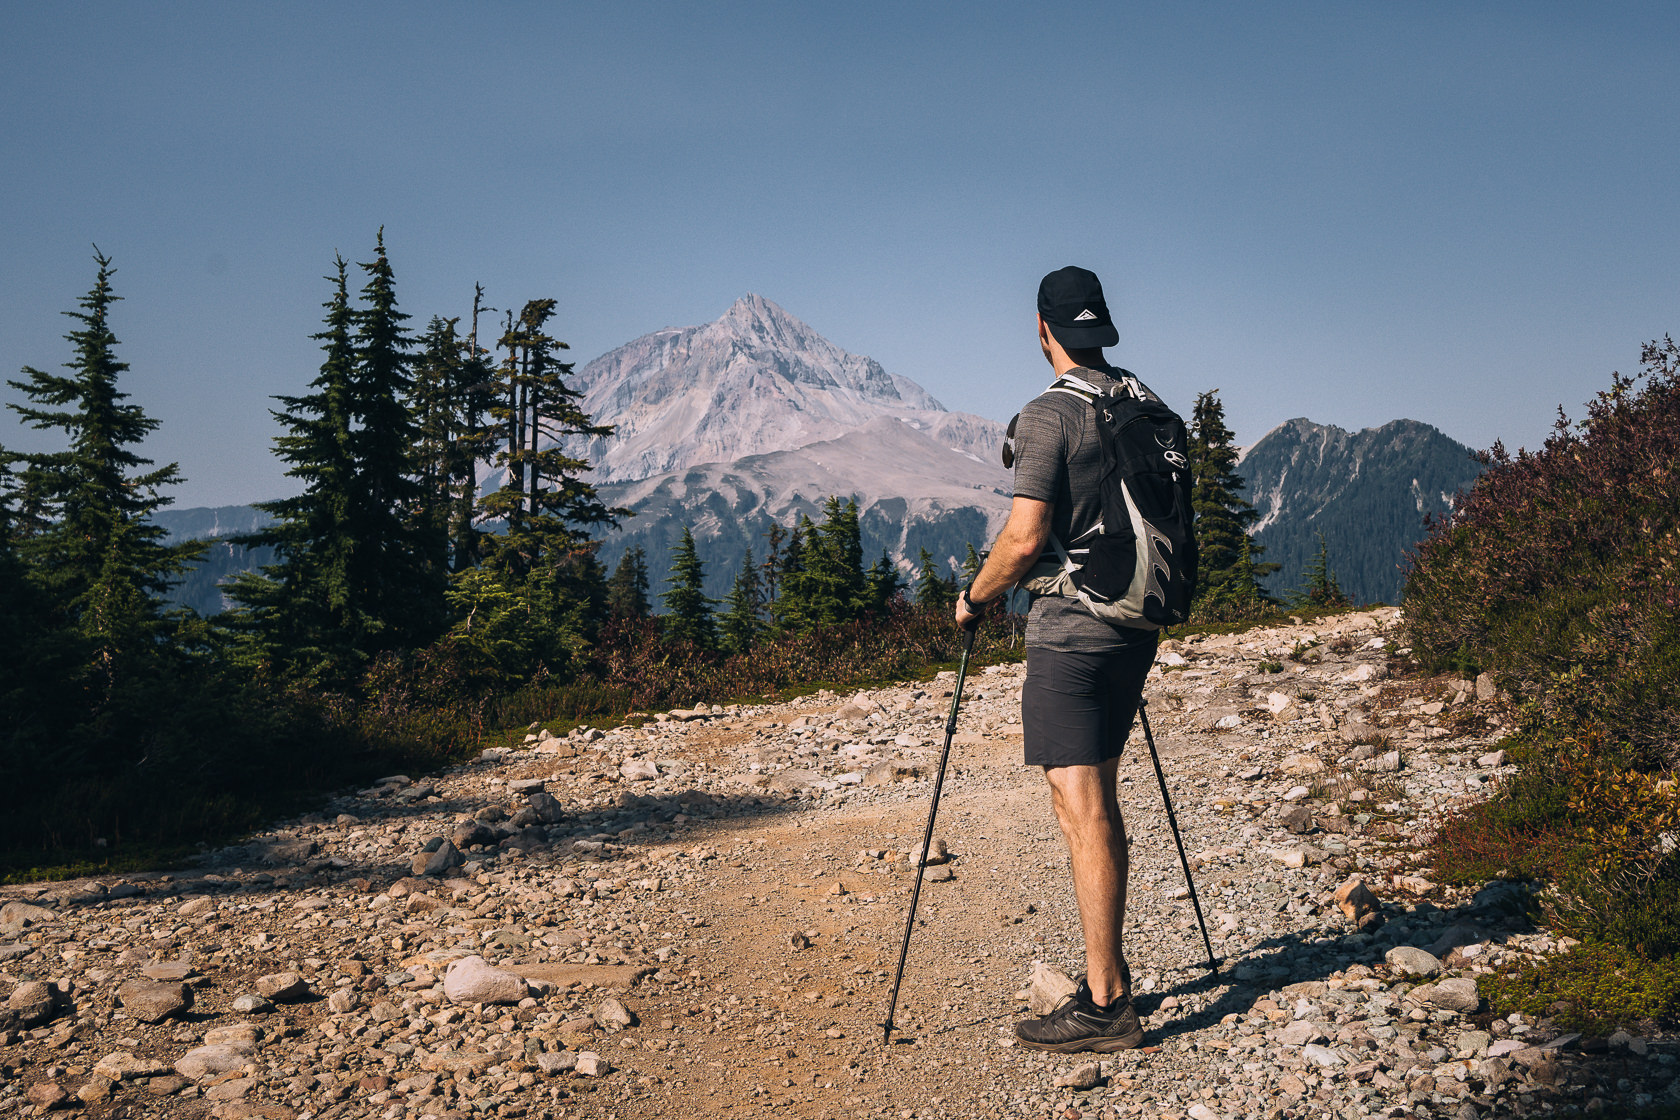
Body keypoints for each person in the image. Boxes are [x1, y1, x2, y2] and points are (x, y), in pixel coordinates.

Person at [955, 265, 1171, 1053]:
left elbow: (1022, 539)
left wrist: (975, 598)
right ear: (1102, 329)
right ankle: (1106, 981)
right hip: (1135, 627)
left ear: (1041, 330)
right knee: (1100, 798)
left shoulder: (1050, 416)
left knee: (1080, 809)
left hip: (1074, 630)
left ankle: (1107, 1002)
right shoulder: (1148, 404)